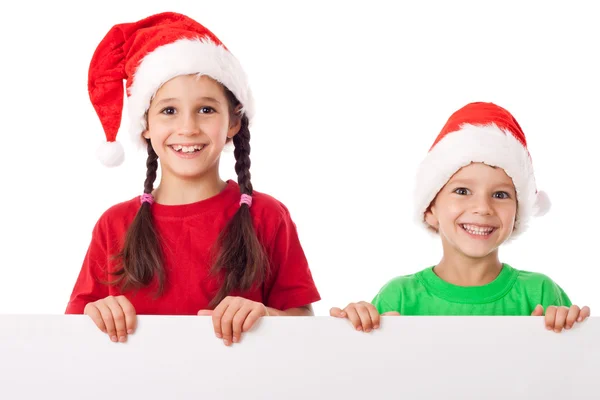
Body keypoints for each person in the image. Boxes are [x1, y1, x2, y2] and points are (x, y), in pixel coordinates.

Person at [66, 12, 320, 346]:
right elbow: (72, 335)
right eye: (169, 110)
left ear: (233, 123)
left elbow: (306, 327)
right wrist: (98, 312)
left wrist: (266, 317)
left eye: (206, 109)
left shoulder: (268, 216)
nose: (187, 128)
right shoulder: (114, 225)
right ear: (146, 125)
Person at [330, 102, 590, 333]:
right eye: (462, 191)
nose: (483, 208)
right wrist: (358, 326)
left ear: (518, 213)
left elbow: (571, 375)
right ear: (430, 210)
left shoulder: (541, 294)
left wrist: (567, 329)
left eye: (500, 195)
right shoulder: (399, 298)